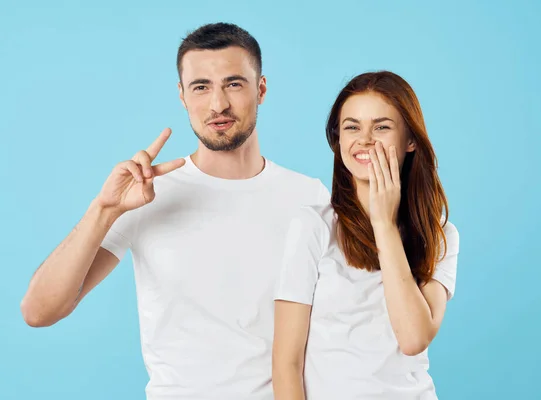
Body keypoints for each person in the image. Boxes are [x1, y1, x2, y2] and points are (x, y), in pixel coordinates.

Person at [20, 22, 330, 399]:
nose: (218, 105)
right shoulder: (148, 194)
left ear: (261, 89)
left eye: (234, 83)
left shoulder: (309, 197)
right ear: (182, 96)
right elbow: (39, 311)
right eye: (201, 87)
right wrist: (104, 210)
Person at [272, 71, 460, 399]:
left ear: (411, 140)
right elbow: (286, 363)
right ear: (338, 140)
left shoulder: (440, 235)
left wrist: (384, 225)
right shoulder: (313, 226)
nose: (365, 139)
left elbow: (414, 339)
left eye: (382, 127)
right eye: (352, 127)